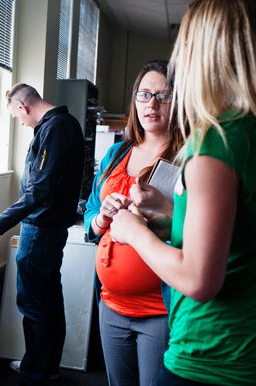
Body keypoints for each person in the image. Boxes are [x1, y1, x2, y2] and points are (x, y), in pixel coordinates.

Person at [110, 0, 256, 385]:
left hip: (211, 354)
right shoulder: (246, 130)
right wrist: (169, 222)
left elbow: (198, 278)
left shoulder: (215, 140)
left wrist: (133, 231)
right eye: (144, 94)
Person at [83, 59, 183, 386]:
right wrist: (102, 217)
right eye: (144, 94)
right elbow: (91, 216)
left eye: (163, 96)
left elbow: (198, 228)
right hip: (110, 304)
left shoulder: (187, 157)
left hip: (159, 309)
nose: (152, 104)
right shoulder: (117, 153)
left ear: (179, 100)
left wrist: (162, 209)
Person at [0, 83, 84, 385]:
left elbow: (40, 189)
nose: (20, 122)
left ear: (23, 107)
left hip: (41, 230)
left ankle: (35, 372)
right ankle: (44, 365)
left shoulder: (56, 128)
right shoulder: (62, 125)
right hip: (46, 228)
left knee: (34, 302)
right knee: (48, 298)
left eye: (17, 117)